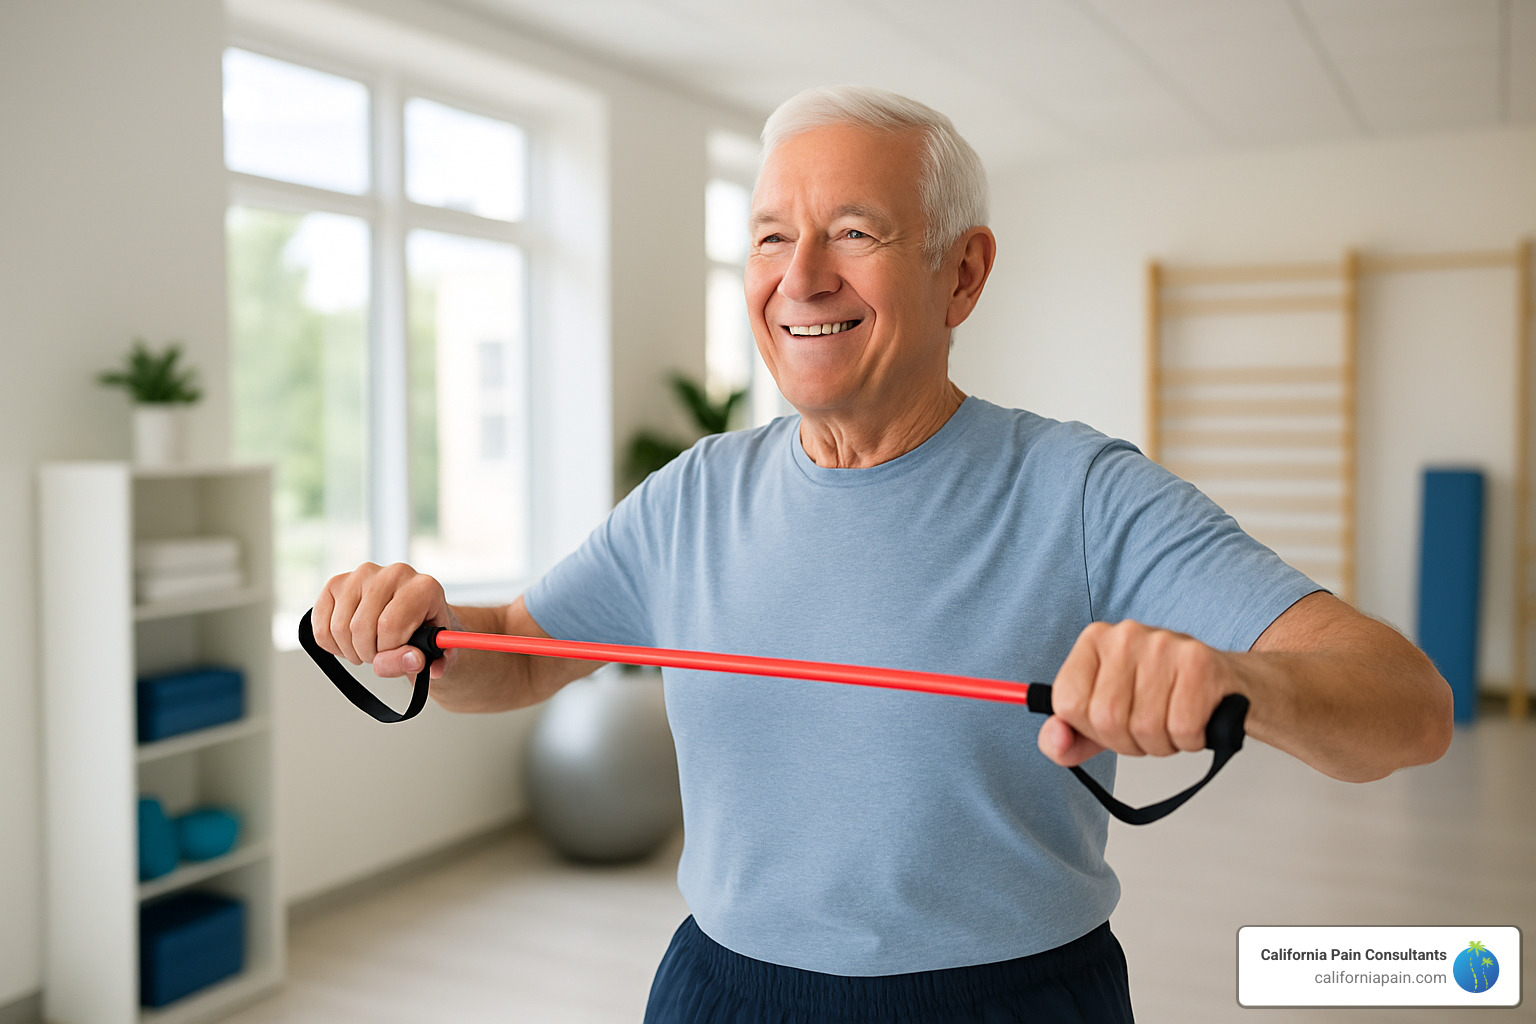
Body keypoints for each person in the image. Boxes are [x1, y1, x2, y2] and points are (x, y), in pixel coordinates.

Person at [312, 85, 1453, 1023]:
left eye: (854, 233)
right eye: (770, 236)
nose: (800, 275)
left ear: (961, 274)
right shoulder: (695, 493)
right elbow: (515, 651)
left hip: (1009, 1001)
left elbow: (1410, 708)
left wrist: (1240, 678)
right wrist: (417, 630)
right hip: (722, 991)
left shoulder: (1084, 492)